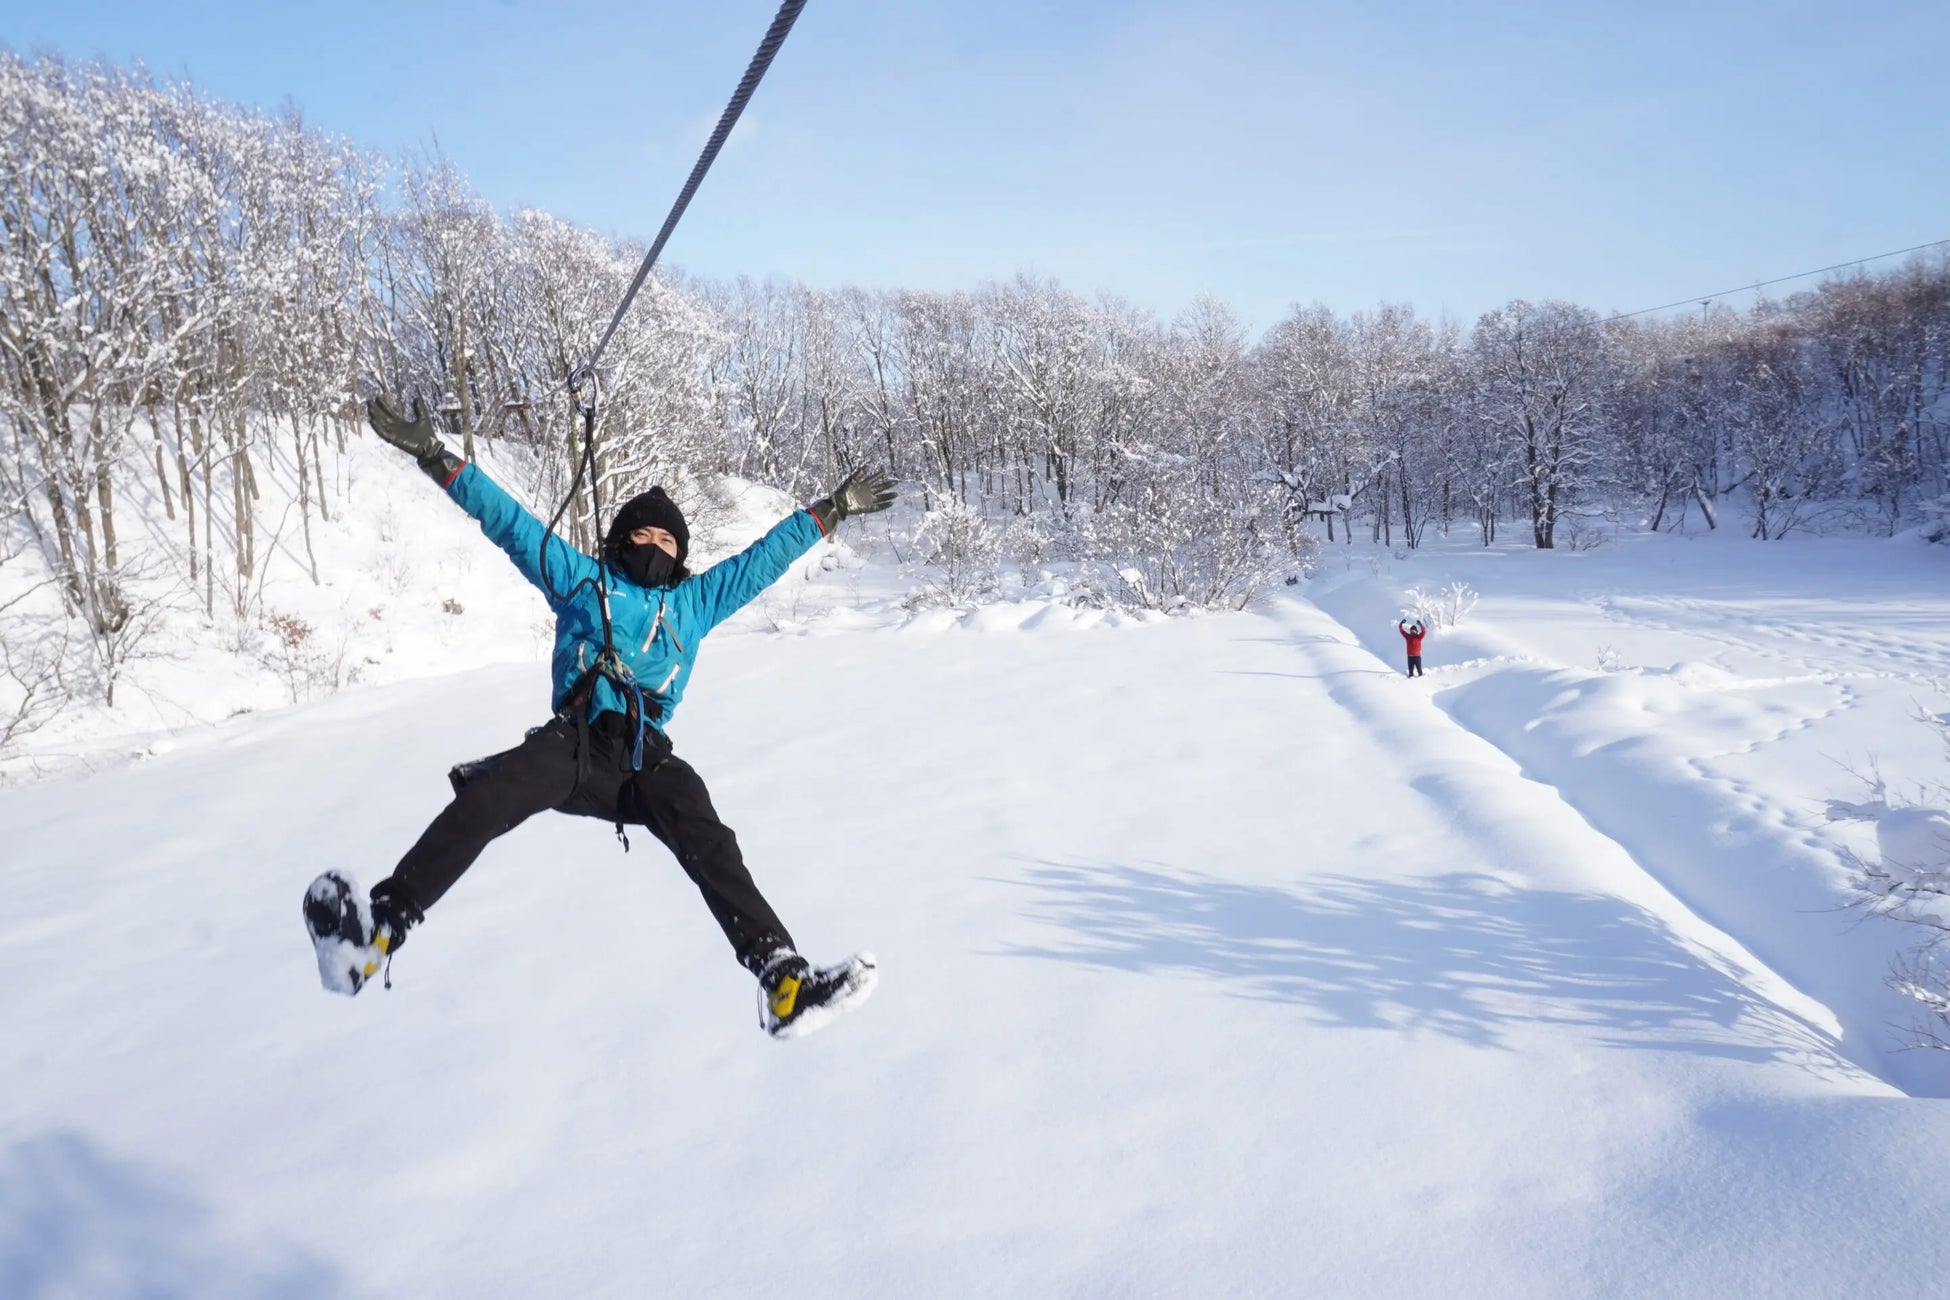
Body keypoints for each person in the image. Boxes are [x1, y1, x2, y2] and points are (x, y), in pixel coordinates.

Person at [304, 396, 895, 1039]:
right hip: (575, 744)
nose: (655, 545)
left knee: (708, 836)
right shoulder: (583, 581)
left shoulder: (695, 603)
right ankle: (376, 933)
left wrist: (830, 510)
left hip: (645, 757)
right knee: (490, 798)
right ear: (620, 540)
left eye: (669, 539)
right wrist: (433, 454)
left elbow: (762, 561)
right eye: (643, 534)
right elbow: (509, 522)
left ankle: (784, 980)